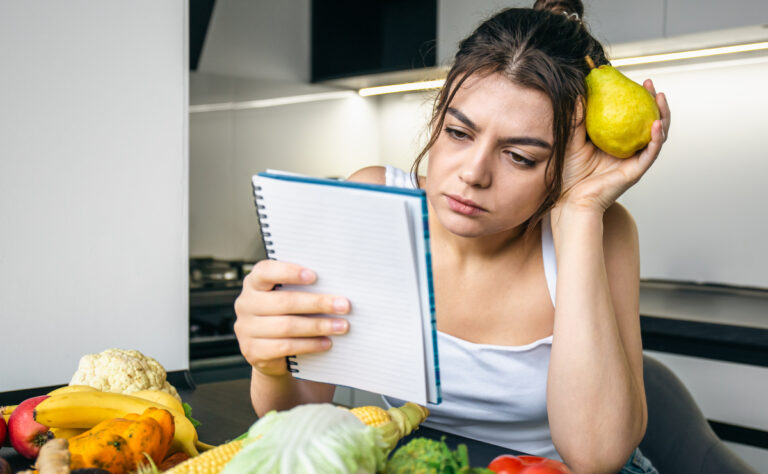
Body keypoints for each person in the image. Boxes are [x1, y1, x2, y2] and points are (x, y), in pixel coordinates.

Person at [233, 0, 670, 472]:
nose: (473, 174)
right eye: (460, 133)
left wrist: (579, 210)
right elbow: (298, 418)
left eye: (520, 157)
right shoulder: (373, 200)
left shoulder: (603, 231)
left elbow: (597, 457)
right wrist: (270, 364)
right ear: (438, 116)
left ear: (563, 164)